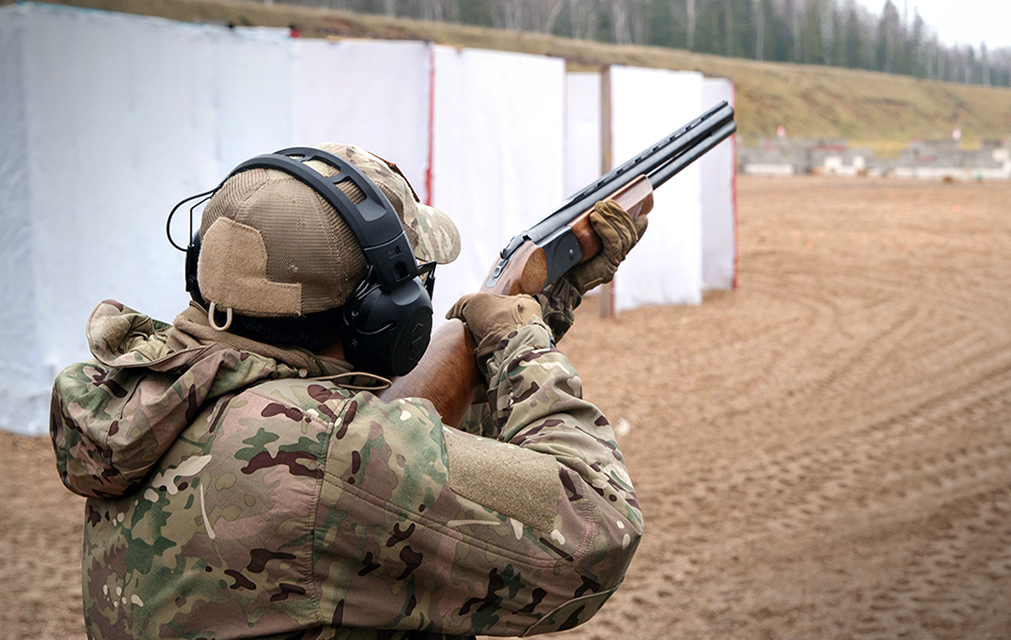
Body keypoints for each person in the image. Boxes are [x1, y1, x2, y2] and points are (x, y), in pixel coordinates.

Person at [49, 143, 645, 638]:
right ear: (379, 313)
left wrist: (548, 300)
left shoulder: (145, 401)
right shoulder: (329, 449)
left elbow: (445, 462)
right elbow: (597, 530)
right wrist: (522, 343)